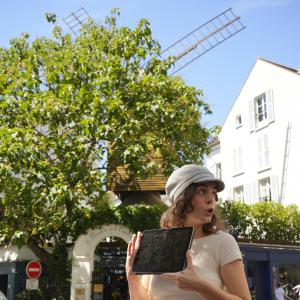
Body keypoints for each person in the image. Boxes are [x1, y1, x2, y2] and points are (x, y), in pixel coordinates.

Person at [126, 164, 251, 300]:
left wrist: (201, 287)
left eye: (214, 193)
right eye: (202, 191)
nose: (211, 199)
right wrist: (132, 278)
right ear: (181, 200)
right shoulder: (160, 243)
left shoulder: (223, 242)